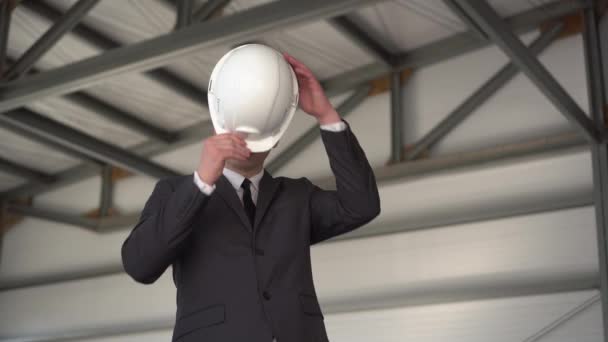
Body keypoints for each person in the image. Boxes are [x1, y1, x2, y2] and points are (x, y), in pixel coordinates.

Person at [121, 53, 381, 342]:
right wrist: (201, 183)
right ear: (218, 123)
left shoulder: (296, 197)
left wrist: (326, 115)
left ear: (278, 137)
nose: (247, 145)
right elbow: (139, 264)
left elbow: (362, 205)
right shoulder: (175, 193)